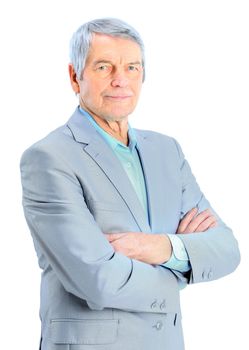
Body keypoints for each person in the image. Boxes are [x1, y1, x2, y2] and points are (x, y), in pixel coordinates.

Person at [20, 18, 240, 350]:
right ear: (74, 77)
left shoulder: (167, 151)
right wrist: (188, 261)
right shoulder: (49, 158)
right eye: (104, 67)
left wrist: (161, 248)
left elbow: (227, 249)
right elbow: (98, 280)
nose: (120, 80)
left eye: (132, 67)